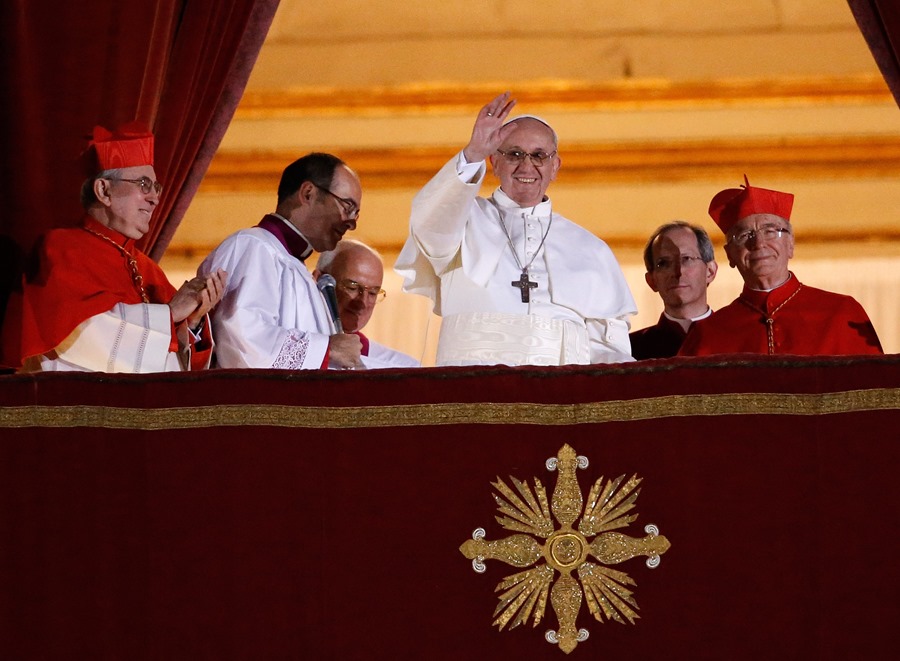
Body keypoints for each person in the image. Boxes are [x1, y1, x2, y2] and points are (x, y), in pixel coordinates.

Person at [395, 92, 636, 366]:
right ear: (494, 162)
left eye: (539, 156)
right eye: (514, 154)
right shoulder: (462, 219)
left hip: (559, 398)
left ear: (555, 166)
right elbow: (429, 224)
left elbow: (608, 348)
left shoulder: (591, 249)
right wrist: (473, 152)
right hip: (472, 391)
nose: (527, 165)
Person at [0, 122, 225, 373]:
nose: (155, 198)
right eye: (143, 185)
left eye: (156, 187)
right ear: (104, 190)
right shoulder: (61, 249)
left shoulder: (149, 269)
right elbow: (81, 335)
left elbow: (172, 369)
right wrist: (169, 315)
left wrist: (191, 321)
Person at [679, 177, 883, 356]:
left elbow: (878, 393)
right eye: (744, 235)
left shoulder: (841, 313)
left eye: (771, 231)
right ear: (730, 254)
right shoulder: (708, 333)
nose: (758, 243)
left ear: (791, 244)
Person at [198, 152, 365, 370]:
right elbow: (241, 342)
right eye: (347, 206)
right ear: (308, 193)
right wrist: (327, 349)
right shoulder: (253, 247)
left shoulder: (298, 269)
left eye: (356, 213)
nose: (351, 223)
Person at [314, 240, 419, 369]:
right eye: (352, 287)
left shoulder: (401, 367)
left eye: (373, 293)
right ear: (319, 280)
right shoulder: (294, 345)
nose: (363, 302)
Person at [630, 222, 717, 359]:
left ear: (710, 271)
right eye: (663, 263)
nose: (678, 272)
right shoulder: (630, 350)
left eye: (686, 259)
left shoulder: (741, 340)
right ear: (651, 281)